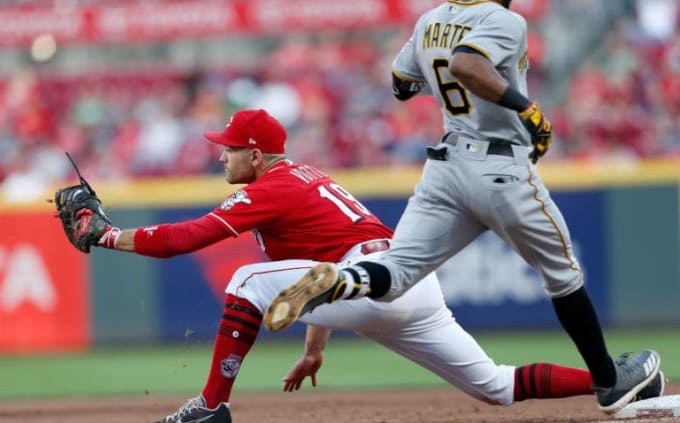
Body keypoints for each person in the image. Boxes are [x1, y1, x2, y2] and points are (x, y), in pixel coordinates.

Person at [68, 109, 663, 423]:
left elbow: (184, 238)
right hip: (404, 284)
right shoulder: (305, 179)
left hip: (374, 280)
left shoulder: (271, 186)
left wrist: (107, 235)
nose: (220, 154)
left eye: (227, 147)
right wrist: (316, 346)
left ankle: (212, 407)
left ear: (255, 152)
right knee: (494, 387)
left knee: (245, 280)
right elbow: (325, 270)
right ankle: (618, 380)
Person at [263, 0, 662, 416]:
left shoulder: (430, 20)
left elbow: (401, 83)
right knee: (563, 275)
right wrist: (525, 107)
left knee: (397, 273)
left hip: (446, 167)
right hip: (499, 166)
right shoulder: (504, 19)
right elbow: (466, 65)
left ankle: (338, 283)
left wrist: (443, 79)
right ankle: (610, 381)